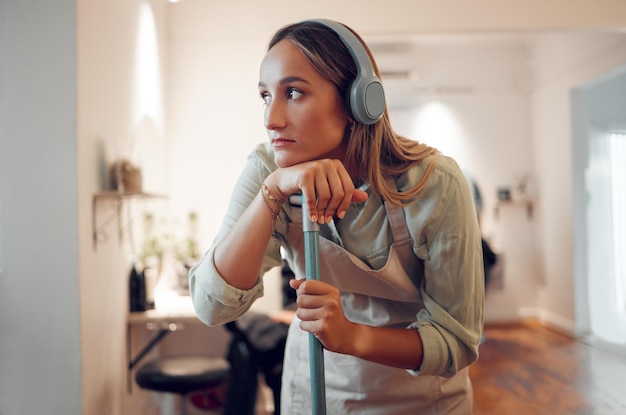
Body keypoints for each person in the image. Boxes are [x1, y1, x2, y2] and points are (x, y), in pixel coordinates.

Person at [189, 19, 484, 414]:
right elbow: (213, 306)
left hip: (419, 402)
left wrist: (351, 337)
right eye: (265, 96)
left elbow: (456, 341)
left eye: (293, 92)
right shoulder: (267, 170)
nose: (270, 119)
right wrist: (274, 192)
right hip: (311, 393)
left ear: (358, 100)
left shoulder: (435, 184)